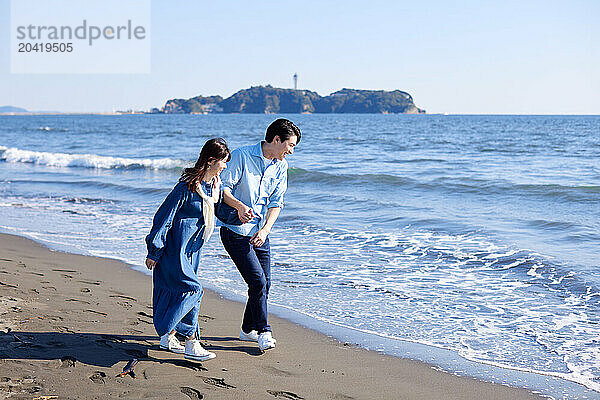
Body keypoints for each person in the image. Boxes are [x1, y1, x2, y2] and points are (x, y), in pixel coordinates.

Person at [145, 138, 230, 362]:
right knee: (193, 290)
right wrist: (154, 250)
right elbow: (163, 217)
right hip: (174, 250)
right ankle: (191, 341)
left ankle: (168, 337)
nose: (225, 166)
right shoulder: (187, 187)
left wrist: (240, 216)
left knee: (180, 290)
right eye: (223, 162)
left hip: (193, 249)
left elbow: (218, 211)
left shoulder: (213, 187)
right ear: (211, 161)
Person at [219, 118, 301, 352]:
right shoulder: (242, 156)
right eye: (290, 145)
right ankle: (264, 331)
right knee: (257, 281)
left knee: (265, 284)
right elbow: (223, 188)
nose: (291, 151)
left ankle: (247, 330)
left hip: (259, 233)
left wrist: (265, 230)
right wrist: (239, 206)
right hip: (234, 231)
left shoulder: (281, 166)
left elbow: (277, 202)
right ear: (277, 140)